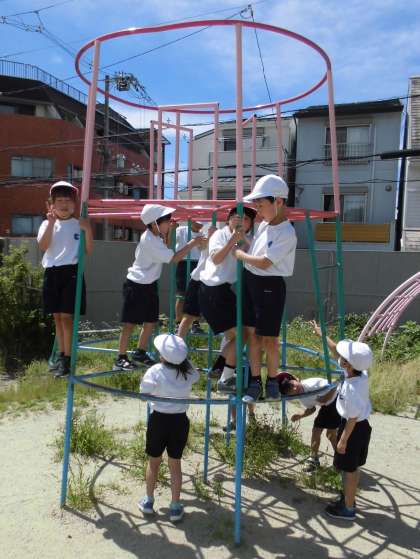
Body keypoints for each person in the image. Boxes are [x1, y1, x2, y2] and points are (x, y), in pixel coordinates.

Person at [114, 204, 202, 371]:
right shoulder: (149, 240)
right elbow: (173, 258)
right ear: (155, 223)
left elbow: (166, 248)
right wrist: (192, 243)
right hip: (136, 284)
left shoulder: (155, 236)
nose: (169, 223)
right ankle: (121, 357)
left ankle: (140, 352)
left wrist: (168, 233)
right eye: (166, 221)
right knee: (129, 323)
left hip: (149, 284)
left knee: (150, 321)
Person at [235, 175, 297, 402]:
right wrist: (243, 241)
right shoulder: (263, 225)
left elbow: (264, 262)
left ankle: (272, 381)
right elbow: (258, 250)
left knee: (269, 338)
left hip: (270, 285)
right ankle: (255, 382)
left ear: (278, 201)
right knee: (253, 335)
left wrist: (240, 254)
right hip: (251, 281)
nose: (258, 210)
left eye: (261, 205)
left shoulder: (287, 232)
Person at [311, 320, 373, 520]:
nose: (339, 358)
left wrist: (343, 440)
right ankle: (348, 499)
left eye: (343, 358)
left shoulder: (352, 389)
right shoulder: (359, 373)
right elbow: (335, 351)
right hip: (362, 427)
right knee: (352, 467)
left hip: (353, 429)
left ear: (347, 364)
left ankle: (348, 508)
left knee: (349, 470)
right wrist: (321, 335)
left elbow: (352, 418)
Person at [139, 333, 200, 522]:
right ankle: (174, 506)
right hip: (179, 421)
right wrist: (183, 361)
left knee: (153, 462)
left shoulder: (155, 370)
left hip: (158, 420)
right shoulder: (187, 371)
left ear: (162, 355)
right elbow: (197, 376)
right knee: (175, 465)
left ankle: (148, 500)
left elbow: (143, 393)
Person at [37, 181, 93, 378]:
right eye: (59, 200)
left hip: (72, 273)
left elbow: (88, 250)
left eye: (68, 200)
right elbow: (44, 246)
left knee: (67, 317)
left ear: (74, 204)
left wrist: (88, 230)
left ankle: (67, 359)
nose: (63, 204)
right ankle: (61, 355)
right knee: (57, 318)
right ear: (51, 204)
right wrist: (51, 223)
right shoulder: (47, 224)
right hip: (52, 273)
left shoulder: (79, 224)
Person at [199, 206, 256, 393]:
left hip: (224, 291)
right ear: (228, 219)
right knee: (242, 334)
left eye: (246, 220)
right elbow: (216, 259)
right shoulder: (220, 235)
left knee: (236, 336)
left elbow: (254, 253)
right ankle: (225, 378)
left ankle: (219, 368)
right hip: (212, 290)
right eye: (237, 217)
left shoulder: (246, 239)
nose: (241, 222)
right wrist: (233, 240)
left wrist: (242, 238)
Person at [279, 375, 339, 471]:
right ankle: (314, 460)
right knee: (316, 431)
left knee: (330, 434)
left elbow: (335, 384)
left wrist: (326, 398)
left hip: (337, 401)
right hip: (326, 406)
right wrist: (300, 415)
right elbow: (312, 409)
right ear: (290, 395)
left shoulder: (312, 384)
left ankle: (342, 461)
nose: (294, 388)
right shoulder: (301, 396)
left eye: (293, 384)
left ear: (296, 380)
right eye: (290, 390)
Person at [177, 225, 217, 339]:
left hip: (214, 281)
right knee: (187, 311)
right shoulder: (205, 239)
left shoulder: (225, 240)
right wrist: (210, 237)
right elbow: (203, 246)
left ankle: (196, 325)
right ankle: (178, 341)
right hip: (199, 278)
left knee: (218, 315)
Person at [175, 220, 205, 334]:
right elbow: (170, 242)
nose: (199, 224)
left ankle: (195, 324)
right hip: (183, 262)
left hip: (198, 264)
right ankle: (178, 324)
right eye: (197, 222)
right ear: (191, 221)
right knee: (181, 295)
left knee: (197, 295)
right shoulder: (181, 230)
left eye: (201, 223)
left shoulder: (203, 234)